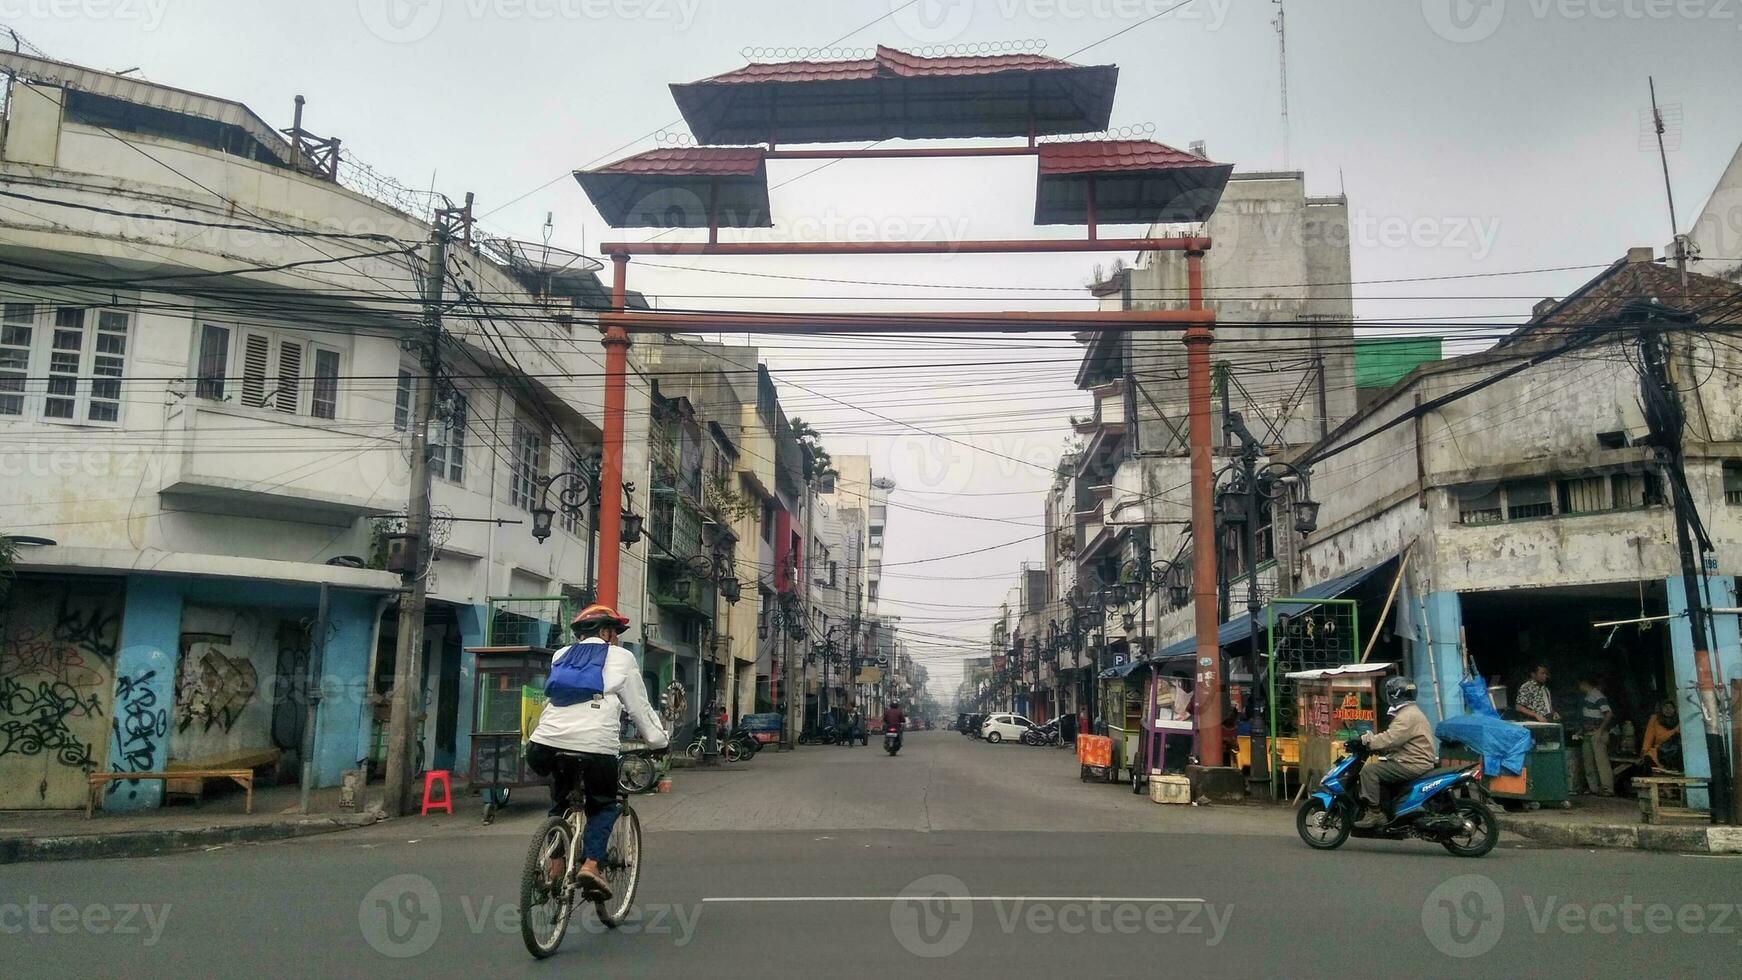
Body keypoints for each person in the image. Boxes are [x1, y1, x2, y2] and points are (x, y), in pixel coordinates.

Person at [525, 604, 669, 901]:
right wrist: (658, 741)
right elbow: (638, 708)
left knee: (561, 801)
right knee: (603, 804)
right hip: (594, 748)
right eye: (614, 633)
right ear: (604, 632)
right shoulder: (622, 658)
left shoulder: (560, 655)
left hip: (543, 745)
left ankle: (554, 864)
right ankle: (591, 865)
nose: (616, 639)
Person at [1354, 677, 1440, 830]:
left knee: (1369, 771)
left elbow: (1391, 738)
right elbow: (1397, 739)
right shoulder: (1411, 712)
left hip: (1411, 763)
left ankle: (1375, 813)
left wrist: (1369, 742)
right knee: (1381, 767)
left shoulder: (1407, 716)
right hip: (1413, 760)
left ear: (1394, 695)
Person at [1575, 677, 1615, 796]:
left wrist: (1600, 730)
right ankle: (1594, 788)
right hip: (1587, 733)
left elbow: (1608, 714)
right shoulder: (1587, 696)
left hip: (1597, 733)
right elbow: (1589, 716)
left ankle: (1608, 788)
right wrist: (1581, 730)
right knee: (1588, 762)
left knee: (1601, 761)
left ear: (1585, 683)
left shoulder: (1598, 695)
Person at [1641, 699, 1682, 773]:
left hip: (1676, 753)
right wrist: (1644, 751)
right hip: (1660, 751)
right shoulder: (1655, 719)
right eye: (1665, 707)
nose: (1668, 709)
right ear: (1661, 709)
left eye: (1671, 707)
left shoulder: (1679, 720)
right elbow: (1649, 737)